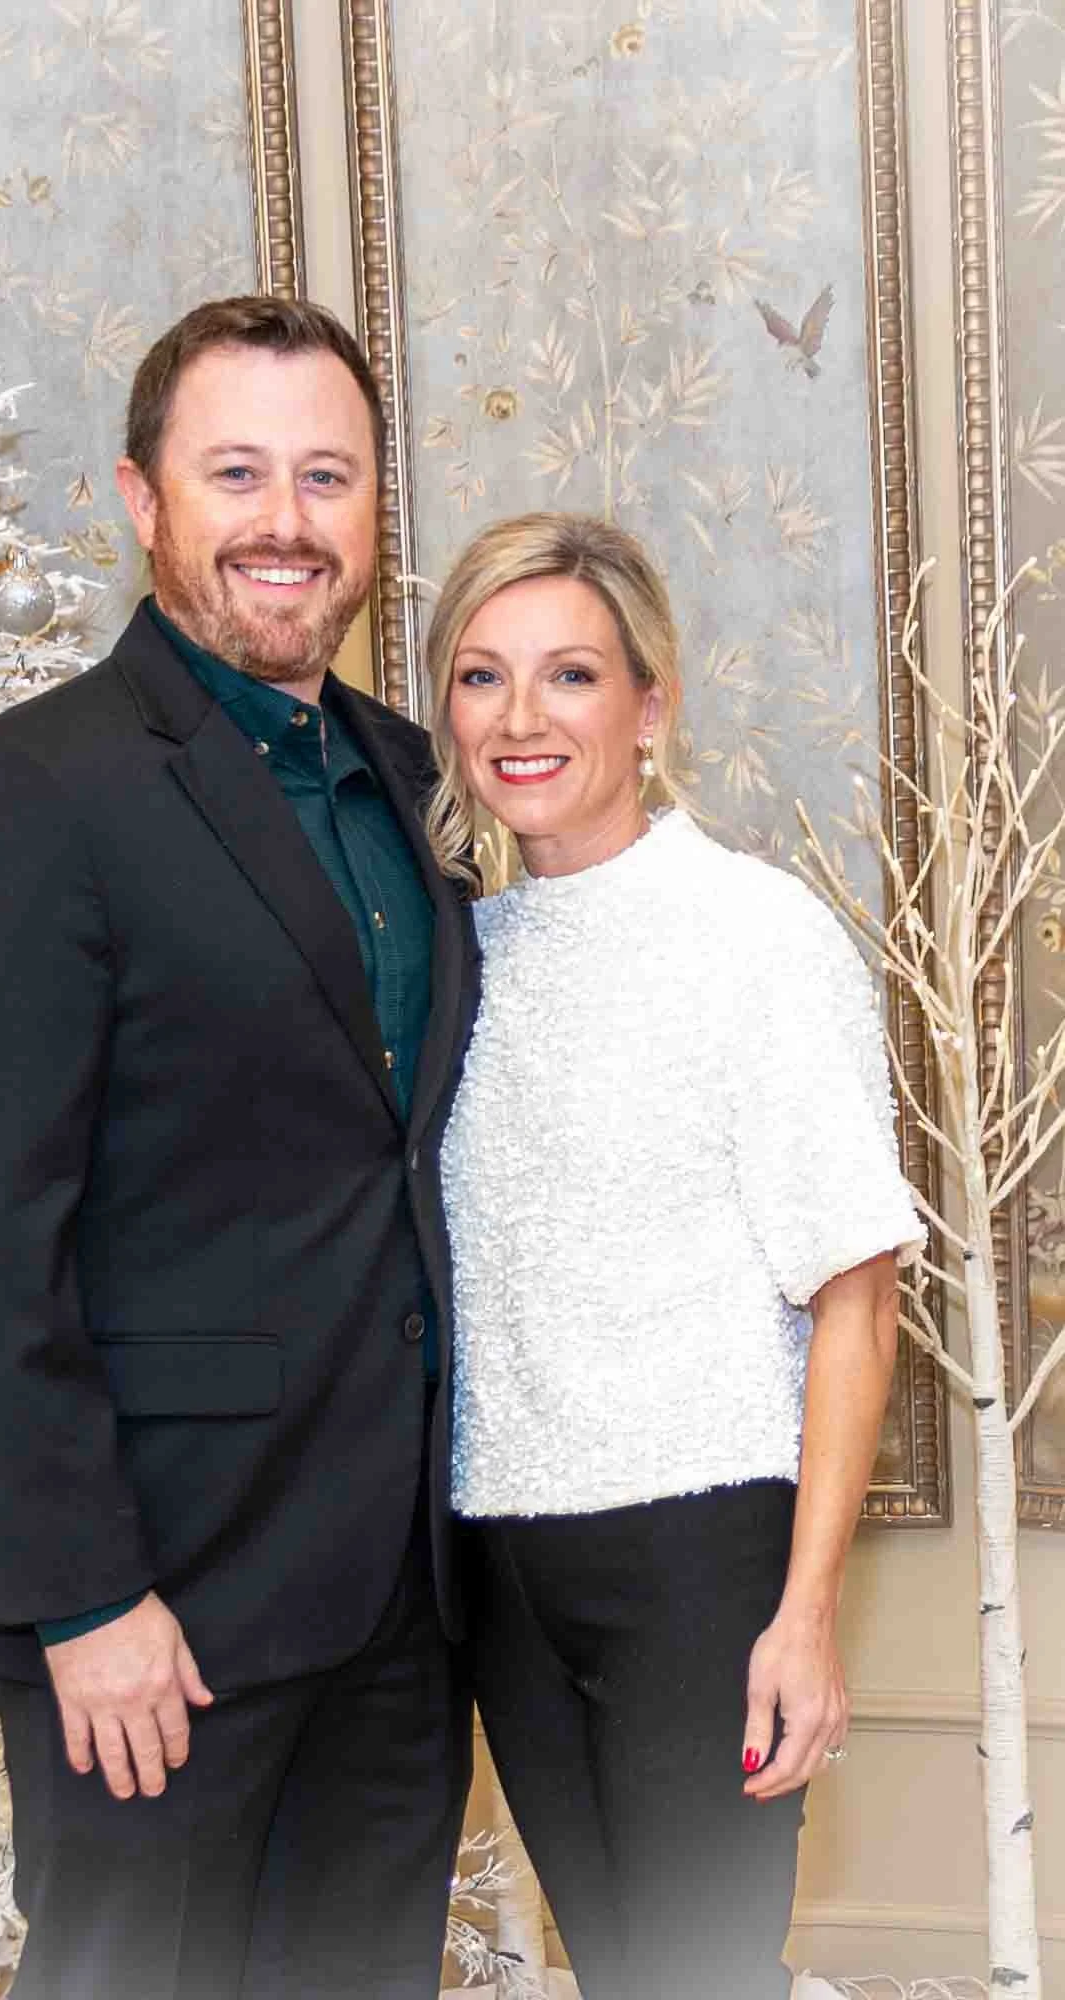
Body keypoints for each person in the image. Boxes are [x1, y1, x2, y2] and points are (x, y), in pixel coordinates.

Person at [0, 297, 479, 2000]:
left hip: (397, 1600)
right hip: (156, 1608)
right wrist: (82, 1598)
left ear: (374, 512)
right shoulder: (28, 796)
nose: (285, 520)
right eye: (236, 472)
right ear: (141, 501)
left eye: (326, 475)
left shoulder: (412, 783)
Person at [425, 512, 925, 2000]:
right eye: (480, 676)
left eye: (570, 675)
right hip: (502, 1564)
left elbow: (858, 1291)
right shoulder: (463, 956)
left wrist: (807, 1615)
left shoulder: (753, 937)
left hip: (697, 1568)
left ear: (651, 706)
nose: (522, 720)